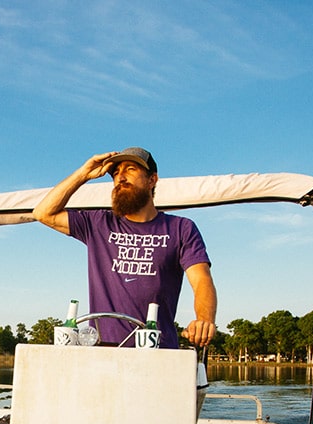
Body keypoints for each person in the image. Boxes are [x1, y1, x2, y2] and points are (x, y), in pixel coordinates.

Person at [32, 147, 217, 350]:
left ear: (152, 180)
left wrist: (204, 320)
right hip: (103, 351)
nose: (120, 178)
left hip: (158, 351)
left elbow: (201, 279)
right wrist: (84, 173)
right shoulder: (98, 224)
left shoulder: (181, 228)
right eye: (116, 173)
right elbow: (43, 213)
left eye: (130, 169)